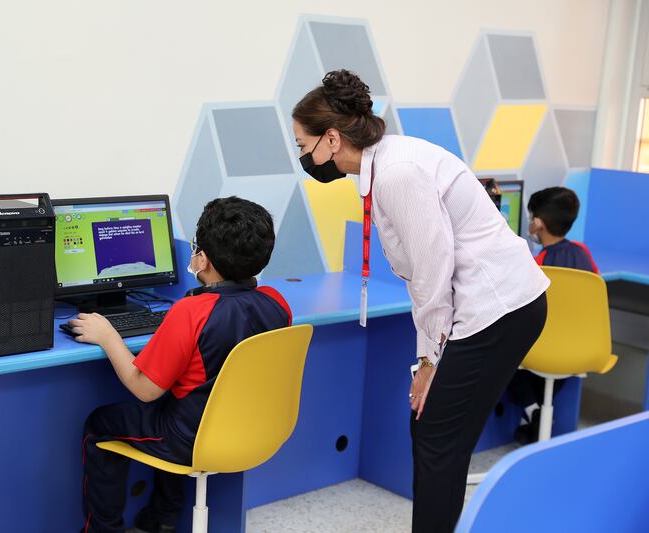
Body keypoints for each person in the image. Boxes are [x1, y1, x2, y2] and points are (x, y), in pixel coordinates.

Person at [291, 69, 549, 533]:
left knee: (435, 435)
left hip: (498, 307)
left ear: (331, 139)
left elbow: (433, 268)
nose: (303, 157)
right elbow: (425, 271)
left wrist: (429, 359)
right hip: (484, 305)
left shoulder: (396, 173)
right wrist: (428, 356)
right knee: (433, 430)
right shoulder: (380, 165)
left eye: (302, 146)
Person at [71, 197, 292, 533]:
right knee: (173, 402)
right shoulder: (277, 304)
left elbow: (144, 388)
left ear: (201, 259)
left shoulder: (191, 312)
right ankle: (160, 520)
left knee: (99, 424)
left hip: (190, 438)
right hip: (252, 430)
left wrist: (107, 335)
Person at [509, 186, 598, 443]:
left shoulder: (538, 262)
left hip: (544, 349)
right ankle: (538, 415)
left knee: (502, 351)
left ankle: (531, 410)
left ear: (538, 223)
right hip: (580, 346)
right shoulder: (583, 252)